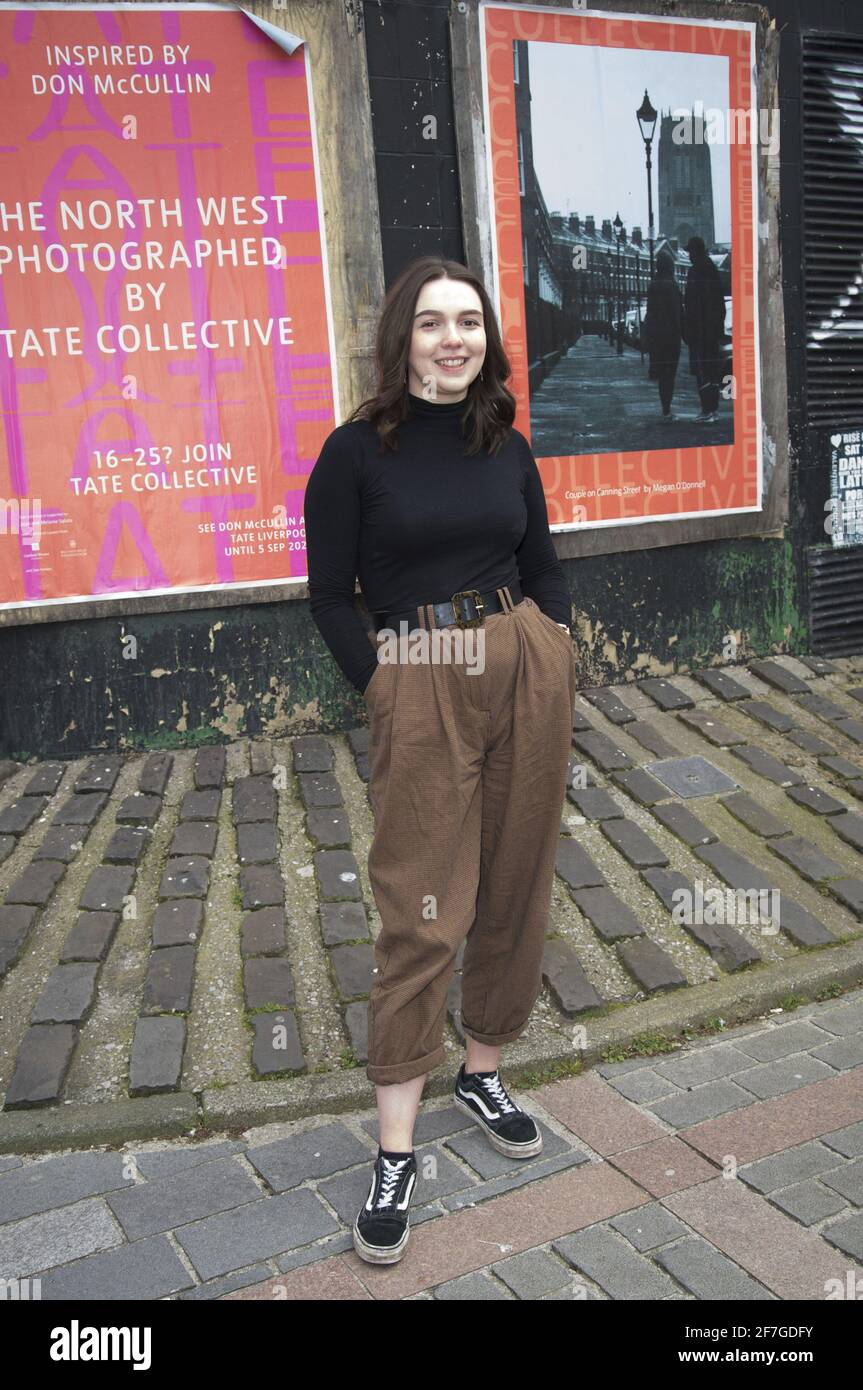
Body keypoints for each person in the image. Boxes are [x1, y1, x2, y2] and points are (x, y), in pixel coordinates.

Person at [303, 256, 577, 1266]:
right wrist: (381, 681)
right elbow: (331, 592)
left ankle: (483, 1065)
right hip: (417, 668)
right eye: (431, 323)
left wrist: (551, 637)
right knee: (420, 901)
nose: (452, 339)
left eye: (468, 322)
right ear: (400, 339)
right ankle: (395, 1146)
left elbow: (542, 557)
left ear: (486, 341)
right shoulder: (353, 453)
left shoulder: (503, 444)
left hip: (521, 660)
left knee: (515, 876)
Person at [683, 235, 726, 422]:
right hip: (706, 331)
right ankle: (709, 409)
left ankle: (709, 410)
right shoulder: (708, 269)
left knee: (704, 371)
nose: (689, 255)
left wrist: (698, 329)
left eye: (690, 251)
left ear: (696, 251)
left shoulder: (700, 271)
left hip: (702, 332)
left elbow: (701, 305)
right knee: (707, 371)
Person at [641, 249, 686, 421]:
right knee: (670, 374)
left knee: (661, 375)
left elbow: (650, 312)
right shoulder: (672, 285)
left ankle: (665, 407)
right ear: (671, 267)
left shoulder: (653, 284)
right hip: (670, 336)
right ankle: (667, 409)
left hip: (656, 336)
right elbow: (677, 312)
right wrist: (682, 332)